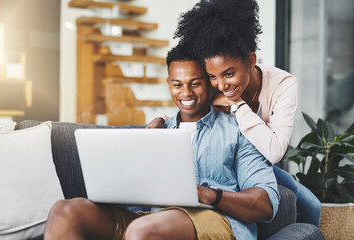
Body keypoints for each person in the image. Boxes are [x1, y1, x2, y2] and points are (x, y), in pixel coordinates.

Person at [44, 44, 279, 240]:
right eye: (177, 84)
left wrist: (212, 195)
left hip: (214, 219)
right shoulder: (156, 130)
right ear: (169, 84)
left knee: (141, 231)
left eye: (195, 83)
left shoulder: (239, 130)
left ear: (209, 82)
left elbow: (266, 203)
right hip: (147, 217)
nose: (186, 92)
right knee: (64, 211)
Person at [146, 0, 321, 226]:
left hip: (258, 155)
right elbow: (190, 105)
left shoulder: (283, 84)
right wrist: (162, 119)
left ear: (250, 60)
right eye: (212, 76)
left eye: (228, 74)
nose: (220, 85)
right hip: (228, 155)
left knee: (311, 205)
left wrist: (237, 104)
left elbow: (274, 150)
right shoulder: (214, 83)